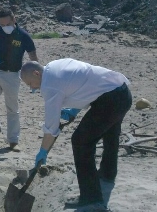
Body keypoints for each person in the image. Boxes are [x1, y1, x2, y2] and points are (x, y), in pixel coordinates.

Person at [20, 59, 132, 210]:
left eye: (30, 84)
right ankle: (107, 174)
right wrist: (74, 110)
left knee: (81, 142)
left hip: (109, 100)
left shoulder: (49, 85)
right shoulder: (54, 66)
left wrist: (43, 151)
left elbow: (51, 128)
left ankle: (91, 199)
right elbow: (83, 85)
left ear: (36, 73)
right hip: (121, 92)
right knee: (110, 134)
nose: (32, 89)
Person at [0, 8, 38, 152]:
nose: (5, 27)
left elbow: (33, 57)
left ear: (14, 20)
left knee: (12, 108)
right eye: (2, 25)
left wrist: (36, 77)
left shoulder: (24, 36)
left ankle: (13, 140)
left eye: (7, 24)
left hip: (12, 75)